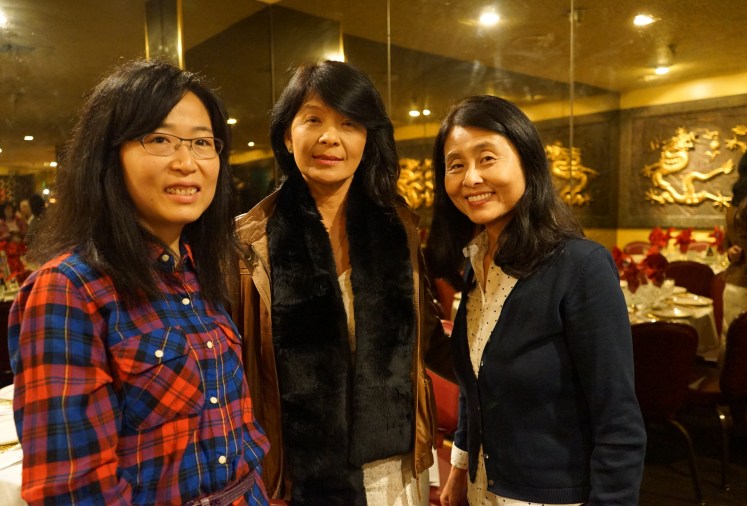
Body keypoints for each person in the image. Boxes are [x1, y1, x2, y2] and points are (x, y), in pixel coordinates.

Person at [8, 59, 269, 505]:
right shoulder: (69, 290)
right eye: (160, 139)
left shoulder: (199, 270)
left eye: (202, 142)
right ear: (109, 156)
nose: (187, 162)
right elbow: (76, 490)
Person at [232, 59, 452, 505]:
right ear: (287, 135)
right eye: (313, 120)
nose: (330, 137)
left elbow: (428, 341)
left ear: (368, 138)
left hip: (395, 471)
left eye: (349, 123)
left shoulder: (400, 228)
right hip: (294, 477)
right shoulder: (247, 241)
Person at [426, 95, 647, 505]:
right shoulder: (476, 263)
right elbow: (476, 383)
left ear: (528, 161)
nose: (471, 178)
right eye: (455, 165)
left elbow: (618, 421)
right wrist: (459, 465)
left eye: (487, 158)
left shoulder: (580, 266)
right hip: (482, 490)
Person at [722, 139, 747, 335]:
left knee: (731, 341)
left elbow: (729, 242)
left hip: (735, 282)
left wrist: (731, 251)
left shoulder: (736, 200)